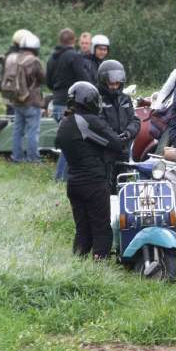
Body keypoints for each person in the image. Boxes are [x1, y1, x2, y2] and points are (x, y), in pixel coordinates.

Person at [54, 81, 124, 260]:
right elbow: (116, 144)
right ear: (90, 100)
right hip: (93, 182)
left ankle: (78, 263)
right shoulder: (88, 120)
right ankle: (100, 265)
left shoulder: (65, 122)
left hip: (74, 183)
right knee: (101, 227)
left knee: (82, 229)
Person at [46, 28, 91, 181]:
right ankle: (61, 177)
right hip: (71, 104)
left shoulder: (52, 58)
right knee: (70, 143)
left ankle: (64, 176)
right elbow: (84, 79)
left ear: (60, 40)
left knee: (67, 141)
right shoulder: (75, 57)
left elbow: (49, 81)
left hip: (57, 103)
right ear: (74, 40)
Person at [97, 59, 140, 193]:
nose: (114, 86)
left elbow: (135, 120)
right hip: (105, 150)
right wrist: (113, 138)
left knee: (122, 184)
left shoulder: (125, 99)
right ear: (104, 82)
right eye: (111, 83)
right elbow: (99, 124)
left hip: (123, 149)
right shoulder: (98, 99)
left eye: (117, 83)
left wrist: (128, 132)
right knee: (105, 187)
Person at [4, 32, 45, 163]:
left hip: (16, 100)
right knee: (33, 131)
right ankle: (33, 159)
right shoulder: (34, 61)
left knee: (17, 131)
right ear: (35, 47)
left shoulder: (14, 58)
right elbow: (43, 78)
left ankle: (17, 157)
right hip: (31, 102)